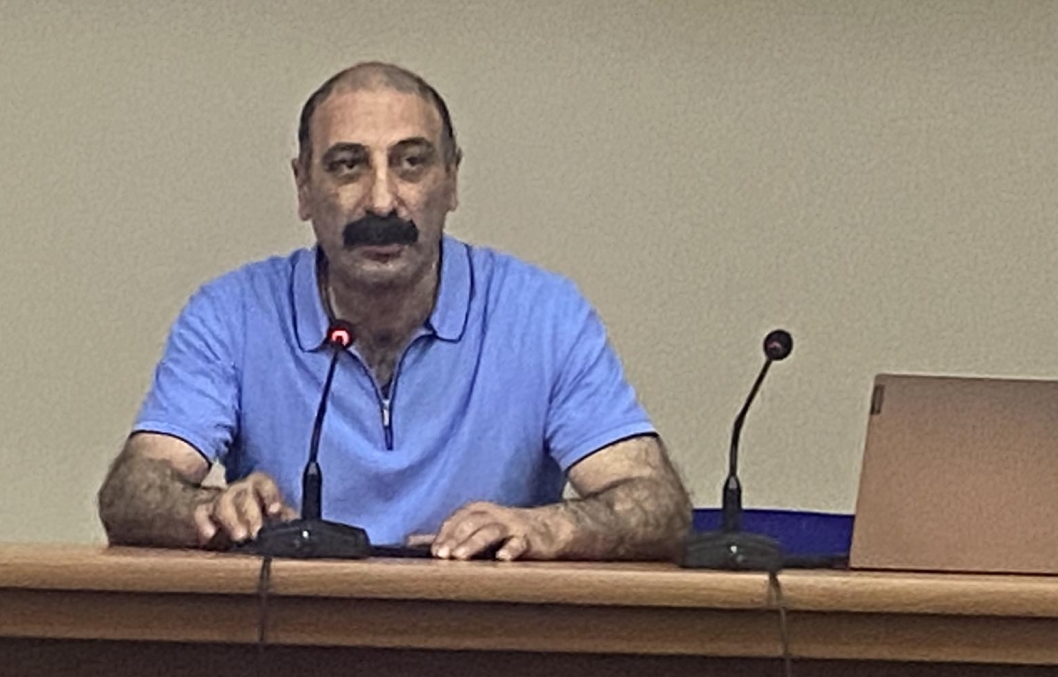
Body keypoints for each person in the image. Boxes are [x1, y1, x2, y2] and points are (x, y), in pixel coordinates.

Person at [98, 62, 691, 561]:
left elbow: (655, 503)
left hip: (487, 642)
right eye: (347, 166)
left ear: (451, 181)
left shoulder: (543, 316)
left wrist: (550, 527)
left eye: (411, 163)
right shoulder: (233, 314)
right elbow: (134, 491)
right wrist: (208, 510)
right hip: (292, 641)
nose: (382, 200)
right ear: (303, 187)